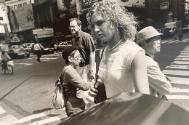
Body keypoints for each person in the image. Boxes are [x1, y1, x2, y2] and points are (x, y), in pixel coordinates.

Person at [87, 0, 150, 100]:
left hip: (129, 114)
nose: (95, 30)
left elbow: (144, 100)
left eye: (100, 23)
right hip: (111, 112)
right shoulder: (105, 51)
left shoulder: (134, 53)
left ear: (114, 21)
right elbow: (106, 79)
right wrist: (94, 88)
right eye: (93, 25)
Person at [136, 26, 172, 99]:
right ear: (143, 43)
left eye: (159, 38)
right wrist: (166, 80)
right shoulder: (148, 63)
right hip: (150, 104)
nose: (159, 42)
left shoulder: (139, 58)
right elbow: (167, 89)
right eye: (155, 39)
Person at [69, 17, 96, 105]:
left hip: (88, 66)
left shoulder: (86, 36)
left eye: (73, 26)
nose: (71, 28)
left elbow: (92, 53)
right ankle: (87, 108)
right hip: (79, 67)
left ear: (79, 26)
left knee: (88, 91)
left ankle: (92, 110)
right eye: (70, 27)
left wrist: (91, 70)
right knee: (82, 91)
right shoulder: (73, 39)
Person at [60, 46, 90, 116]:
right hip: (75, 107)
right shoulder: (69, 70)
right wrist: (92, 82)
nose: (80, 59)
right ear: (70, 59)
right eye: (78, 56)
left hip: (74, 105)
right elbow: (84, 87)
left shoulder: (66, 69)